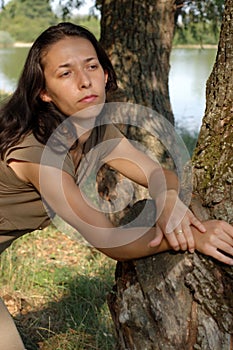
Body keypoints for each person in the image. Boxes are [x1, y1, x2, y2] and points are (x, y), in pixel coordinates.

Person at [0, 22, 232, 349]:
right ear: (44, 91)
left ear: (105, 74)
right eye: (65, 73)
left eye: (91, 66)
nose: (84, 81)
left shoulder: (95, 129)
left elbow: (158, 173)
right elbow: (107, 238)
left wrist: (166, 199)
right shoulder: (37, 154)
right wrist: (191, 236)